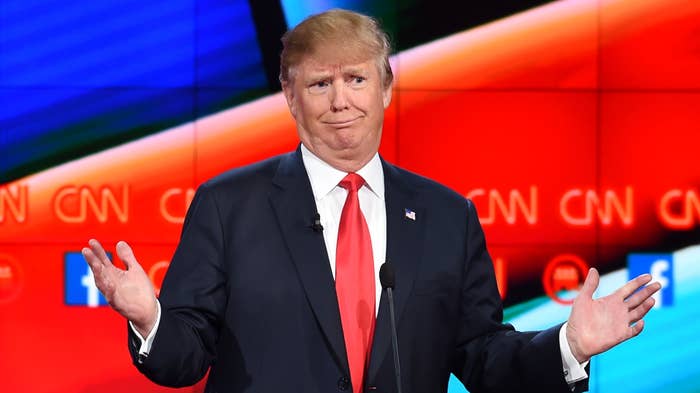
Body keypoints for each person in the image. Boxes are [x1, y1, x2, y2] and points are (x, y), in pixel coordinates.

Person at [82, 9, 660, 393]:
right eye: (319, 84)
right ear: (289, 96)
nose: (340, 102)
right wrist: (150, 318)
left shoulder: (445, 216)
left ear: (385, 87)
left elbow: (482, 357)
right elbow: (184, 360)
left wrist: (570, 345)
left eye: (356, 80)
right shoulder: (228, 206)